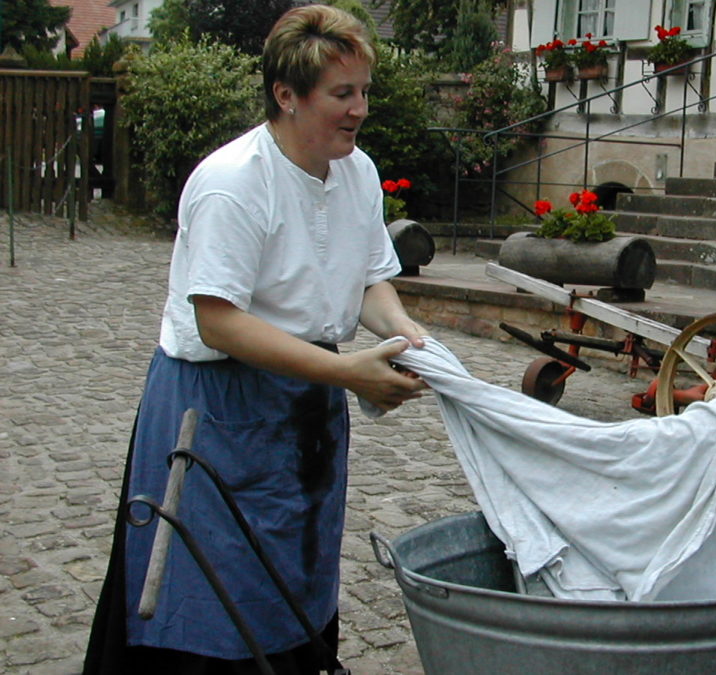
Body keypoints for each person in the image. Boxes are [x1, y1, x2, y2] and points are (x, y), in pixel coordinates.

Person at [82, 6, 428, 673]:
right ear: (286, 95)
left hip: (307, 408)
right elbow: (219, 320)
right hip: (216, 408)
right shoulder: (233, 182)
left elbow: (368, 280)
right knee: (211, 586)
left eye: (364, 92)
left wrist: (408, 333)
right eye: (341, 94)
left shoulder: (356, 172)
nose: (359, 109)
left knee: (295, 576)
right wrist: (351, 371)